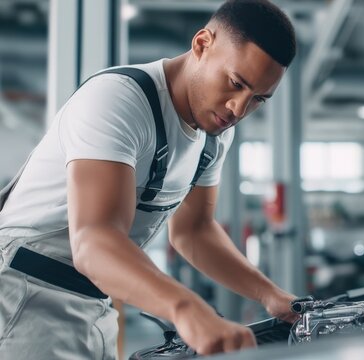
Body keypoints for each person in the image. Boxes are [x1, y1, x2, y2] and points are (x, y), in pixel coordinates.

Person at [0, 0, 299, 358]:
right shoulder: (119, 100)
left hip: (94, 301)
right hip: (23, 293)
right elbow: (94, 239)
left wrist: (270, 294)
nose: (239, 109)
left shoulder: (214, 134)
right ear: (202, 44)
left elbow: (194, 232)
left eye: (258, 100)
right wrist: (187, 308)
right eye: (235, 83)